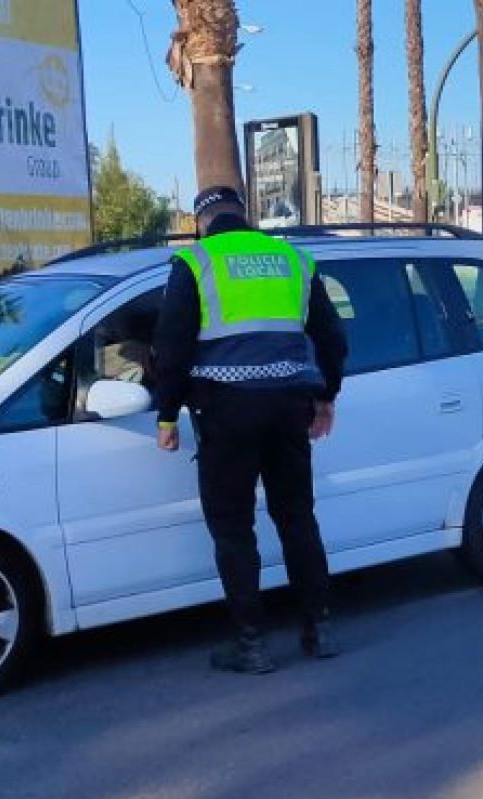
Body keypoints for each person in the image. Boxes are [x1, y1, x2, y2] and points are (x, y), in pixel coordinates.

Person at [152, 186, 350, 675]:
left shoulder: (196, 262)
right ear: (244, 215)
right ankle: (319, 629)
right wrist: (326, 396)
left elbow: (171, 347)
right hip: (289, 409)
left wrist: (166, 415)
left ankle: (252, 645)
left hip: (226, 413)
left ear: (202, 221)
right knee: (297, 518)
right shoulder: (292, 259)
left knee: (234, 529)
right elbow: (332, 338)